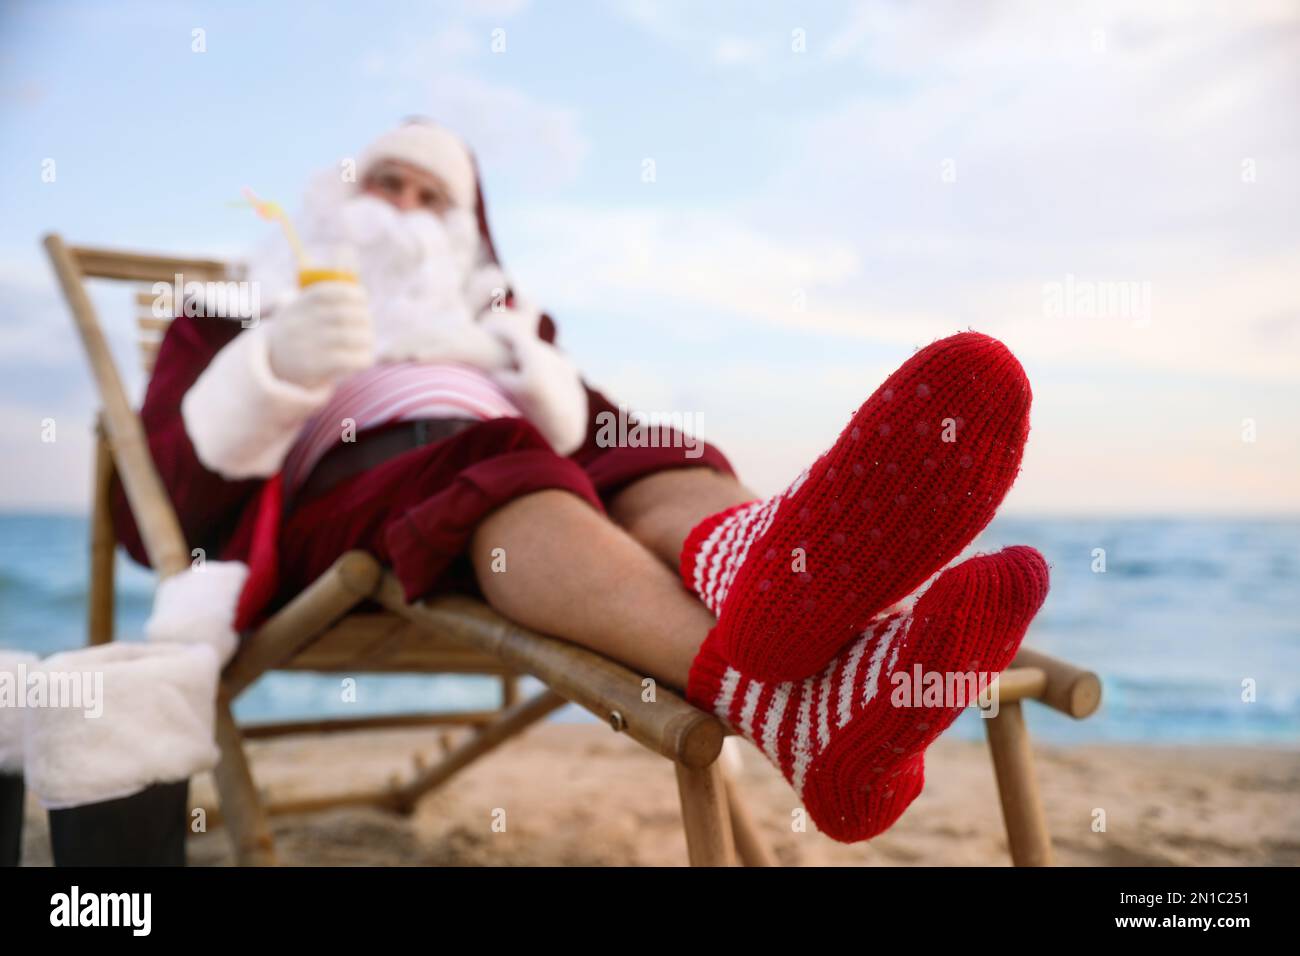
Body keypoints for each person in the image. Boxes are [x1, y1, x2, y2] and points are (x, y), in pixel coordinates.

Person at [103, 118, 1048, 847]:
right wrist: (268, 370)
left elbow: (604, 442)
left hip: (519, 453)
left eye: (431, 194)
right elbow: (160, 518)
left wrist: (538, 379)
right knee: (502, 463)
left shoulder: (507, 336)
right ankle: (794, 701)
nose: (398, 202)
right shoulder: (238, 311)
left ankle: (766, 572)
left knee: (645, 450)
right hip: (350, 496)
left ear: (466, 235)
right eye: (382, 180)